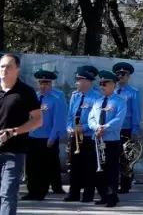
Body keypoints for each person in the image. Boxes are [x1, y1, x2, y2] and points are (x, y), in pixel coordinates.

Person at [0, 54, 43, 215]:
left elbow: (38, 120)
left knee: (8, 194)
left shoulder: (26, 92)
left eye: (9, 66)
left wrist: (14, 131)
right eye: (2, 66)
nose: (4, 69)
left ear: (17, 70)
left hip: (14, 152)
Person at [24, 70, 66, 201]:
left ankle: (41, 192)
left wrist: (52, 137)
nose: (43, 86)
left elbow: (58, 120)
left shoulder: (56, 99)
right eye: (41, 83)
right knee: (31, 167)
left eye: (46, 83)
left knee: (44, 167)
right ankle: (32, 191)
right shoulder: (33, 98)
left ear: (51, 84)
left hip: (46, 139)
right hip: (32, 137)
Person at [87, 74, 127, 208]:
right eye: (101, 84)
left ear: (113, 85)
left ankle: (112, 197)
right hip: (97, 138)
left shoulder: (120, 101)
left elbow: (119, 119)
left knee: (111, 170)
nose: (102, 86)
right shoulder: (97, 101)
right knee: (99, 170)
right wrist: (96, 128)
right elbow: (90, 118)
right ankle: (103, 195)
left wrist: (104, 128)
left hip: (111, 140)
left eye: (105, 84)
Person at [63, 68, 98, 204]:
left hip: (89, 136)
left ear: (87, 81)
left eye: (80, 80)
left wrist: (84, 128)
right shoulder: (75, 96)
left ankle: (88, 194)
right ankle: (74, 193)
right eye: (77, 80)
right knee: (75, 165)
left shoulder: (96, 96)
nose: (77, 83)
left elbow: (97, 118)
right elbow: (70, 115)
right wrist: (69, 128)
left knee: (89, 166)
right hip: (75, 136)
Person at [107, 65, 139, 193]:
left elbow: (136, 113)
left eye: (123, 74)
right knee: (113, 156)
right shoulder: (112, 92)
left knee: (126, 157)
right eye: (118, 75)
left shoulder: (133, 92)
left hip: (126, 128)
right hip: (113, 129)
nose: (121, 77)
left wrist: (135, 130)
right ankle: (114, 182)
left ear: (128, 76)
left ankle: (126, 184)